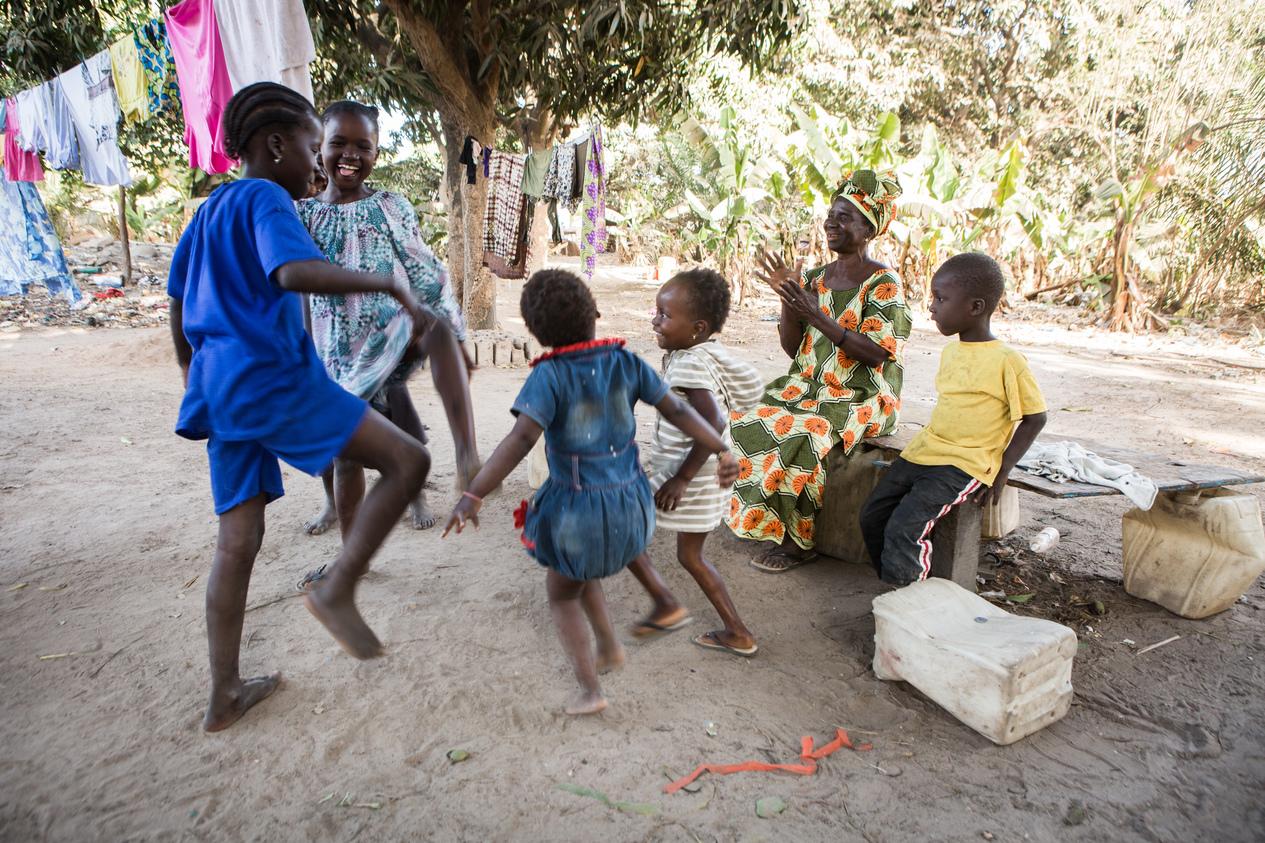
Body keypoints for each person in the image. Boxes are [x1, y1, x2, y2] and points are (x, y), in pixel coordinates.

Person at [167, 82, 431, 732]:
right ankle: (338, 585)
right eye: (315, 147)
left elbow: (176, 305)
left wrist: (192, 371)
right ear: (276, 145)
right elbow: (292, 272)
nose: (319, 163)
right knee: (408, 460)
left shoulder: (206, 212)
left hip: (221, 386)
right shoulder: (265, 195)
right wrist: (385, 281)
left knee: (237, 543)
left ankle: (224, 693)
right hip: (270, 375)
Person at [442, 269, 739, 715]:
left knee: (563, 592)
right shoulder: (627, 362)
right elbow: (678, 409)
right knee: (585, 573)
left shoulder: (549, 377)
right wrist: (720, 448)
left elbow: (520, 441)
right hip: (633, 510)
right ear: (596, 313)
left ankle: (590, 689)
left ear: (537, 334)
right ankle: (611, 645)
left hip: (578, 515)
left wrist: (474, 493)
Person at [297, 100, 478, 548]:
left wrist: (454, 333)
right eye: (339, 143)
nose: (350, 155)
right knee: (345, 457)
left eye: (364, 146)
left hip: (388, 334)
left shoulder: (389, 206)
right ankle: (351, 553)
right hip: (335, 352)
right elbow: (297, 285)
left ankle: (466, 454)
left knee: (435, 329)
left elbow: (424, 270)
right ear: (320, 147)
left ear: (377, 154)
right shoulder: (301, 215)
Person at [730, 170, 912, 573]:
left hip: (864, 396)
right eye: (831, 215)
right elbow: (796, 349)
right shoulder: (815, 277)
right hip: (810, 385)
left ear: (868, 228)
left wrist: (817, 313)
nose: (832, 222)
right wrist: (788, 299)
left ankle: (799, 543)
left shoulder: (884, 282)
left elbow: (877, 355)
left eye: (845, 217)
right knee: (746, 415)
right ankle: (764, 519)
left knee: (805, 434)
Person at [860, 252, 1047, 585]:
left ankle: (912, 604)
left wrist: (1002, 471)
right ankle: (897, 582)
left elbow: (1035, 418)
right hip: (924, 452)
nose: (932, 307)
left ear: (975, 307)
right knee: (872, 516)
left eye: (941, 298)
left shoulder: (1007, 360)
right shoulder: (951, 351)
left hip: (964, 463)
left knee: (906, 528)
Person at [624, 269, 766, 656]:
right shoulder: (703, 353)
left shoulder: (687, 362)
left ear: (697, 327)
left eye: (665, 315)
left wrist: (680, 479)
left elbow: (714, 422)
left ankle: (722, 626)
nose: (655, 320)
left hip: (690, 474)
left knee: (622, 518)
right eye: (656, 311)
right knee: (689, 555)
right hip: (701, 473)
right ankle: (737, 632)